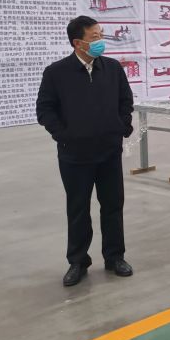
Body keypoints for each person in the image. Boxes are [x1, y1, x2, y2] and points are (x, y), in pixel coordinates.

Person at [36, 16, 135, 286]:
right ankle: (78, 261)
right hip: (75, 156)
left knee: (113, 206)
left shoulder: (112, 69)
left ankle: (115, 257)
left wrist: (122, 127)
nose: (100, 40)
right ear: (78, 43)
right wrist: (64, 135)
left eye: (100, 35)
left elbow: (125, 101)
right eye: (94, 37)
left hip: (109, 153)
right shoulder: (56, 73)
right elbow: (45, 110)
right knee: (78, 208)